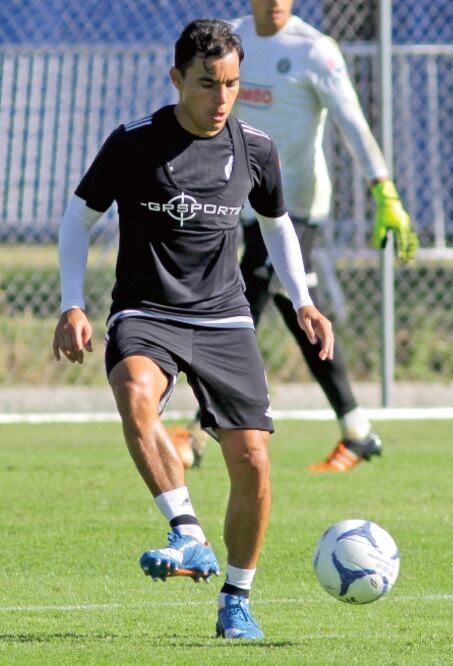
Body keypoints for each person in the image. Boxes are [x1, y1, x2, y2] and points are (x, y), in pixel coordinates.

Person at [51, 19, 333, 640]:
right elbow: (77, 221)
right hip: (146, 311)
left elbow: (276, 224)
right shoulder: (133, 143)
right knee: (134, 391)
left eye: (232, 83)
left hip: (224, 317)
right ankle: (187, 534)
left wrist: (304, 300)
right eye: (208, 84)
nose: (222, 97)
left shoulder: (254, 147)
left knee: (253, 460)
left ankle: (236, 600)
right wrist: (72, 304)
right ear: (177, 79)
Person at [171, 0, 418, 473]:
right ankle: (357, 430)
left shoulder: (314, 50)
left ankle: (201, 432)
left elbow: (351, 120)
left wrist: (383, 187)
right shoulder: (231, 41)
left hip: (298, 206)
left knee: (248, 292)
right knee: (295, 303)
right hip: (245, 198)